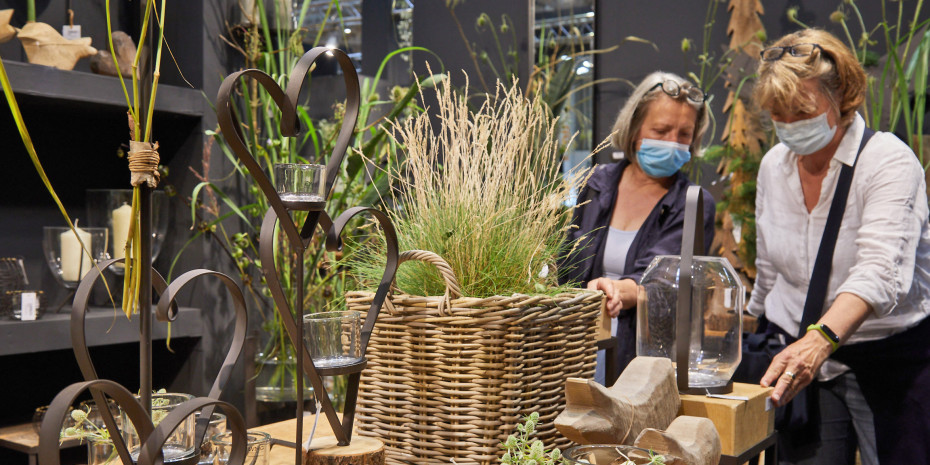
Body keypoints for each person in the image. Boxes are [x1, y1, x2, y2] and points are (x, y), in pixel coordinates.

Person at [748, 28, 930, 464]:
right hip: (800, 362)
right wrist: (747, 322)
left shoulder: (887, 161)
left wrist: (820, 340)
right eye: (779, 113)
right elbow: (769, 269)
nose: (789, 125)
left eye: (802, 111)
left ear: (843, 95)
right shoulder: (774, 167)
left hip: (887, 359)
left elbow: (880, 273)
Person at [559, 71, 716, 386]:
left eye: (684, 135)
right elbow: (567, 261)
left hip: (641, 363)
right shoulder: (598, 182)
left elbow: (661, 282)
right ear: (633, 130)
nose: (672, 143)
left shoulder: (693, 204)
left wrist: (617, 291)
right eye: (660, 130)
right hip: (576, 351)